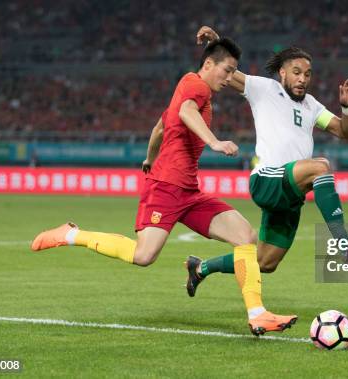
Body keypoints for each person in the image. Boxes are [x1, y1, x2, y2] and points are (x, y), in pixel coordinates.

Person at [31, 37, 297, 336]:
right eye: (226, 70)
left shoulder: (198, 95)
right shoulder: (194, 85)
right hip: (166, 189)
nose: (229, 77)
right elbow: (184, 113)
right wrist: (214, 142)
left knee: (245, 236)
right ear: (208, 65)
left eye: (233, 71)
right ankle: (71, 234)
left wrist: (149, 158)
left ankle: (257, 314)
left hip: (189, 192)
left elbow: (160, 127)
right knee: (143, 257)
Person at [186, 26, 348, 297]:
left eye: (307, 74)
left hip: (290, 194)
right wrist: (218, 45)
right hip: (268, 180)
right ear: (282, 73)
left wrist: (347, 107)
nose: (303, 79)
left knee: (264, 262)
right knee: (322, 166)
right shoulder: (265, 89)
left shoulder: (312, 106)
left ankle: (200, 268)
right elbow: (230, 74)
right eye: (296, 72)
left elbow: (346, 133)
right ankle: (343, 242)